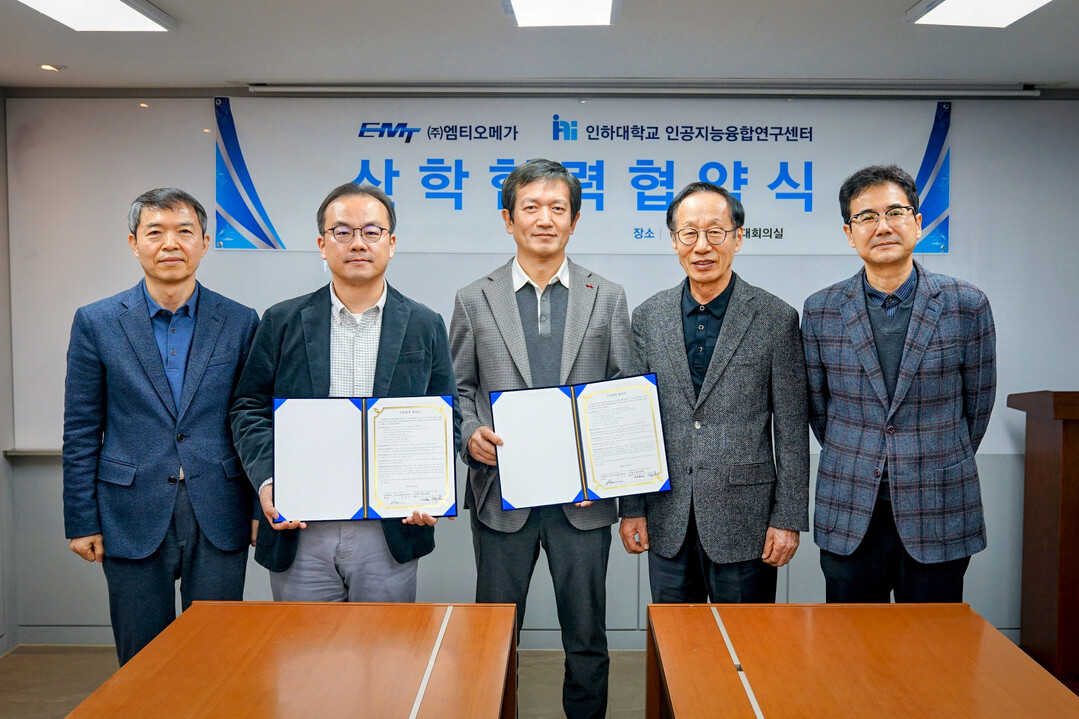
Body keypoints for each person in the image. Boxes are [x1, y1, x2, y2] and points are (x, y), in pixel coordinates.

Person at [449, 159, 632, 719]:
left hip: (583, 502)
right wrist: (470, 433)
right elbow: (458, 388)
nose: (544, 219)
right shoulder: (474, 298)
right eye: (531, 207)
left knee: (587, 636)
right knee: (495, 635)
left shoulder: (607, 296)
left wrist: (606, 472)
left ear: (574, 221)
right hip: (502, 496)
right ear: (509, 219)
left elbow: (623, 392)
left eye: (558, 208)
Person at [230, 182, 456, 602]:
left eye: (371, 232)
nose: (358, 243)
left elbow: (447, 415)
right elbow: (249, 408)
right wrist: (267, 480)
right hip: (301, 523)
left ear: (391, 244)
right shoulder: (282, 321)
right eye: (342, 232)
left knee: (385, 642)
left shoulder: (425, 324)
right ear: (322, 244)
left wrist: (433, 488)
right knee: (304, 644)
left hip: (390, 527)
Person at [63, 188, 260, 665]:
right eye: (155, 232)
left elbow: (255, 420)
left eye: (184, 231)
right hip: (128, 508)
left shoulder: (240, 321)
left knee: (215, 653)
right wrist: (82, 520)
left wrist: (260, 506)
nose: (170, 243)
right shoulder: (97, 322)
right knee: (141, 658)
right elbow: (81, 428)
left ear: (205, 243)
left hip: (220, 506)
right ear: (134, 243)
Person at [802, 164, 996, 603]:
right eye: (866, 217)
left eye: (895, 212)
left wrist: (927, 453)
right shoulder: (821, 310)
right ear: (849, 233)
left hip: (938, 505)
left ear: (918, 222)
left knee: (932, 641)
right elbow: (818, 409)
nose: (883, 227)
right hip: (851, 507)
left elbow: (977, 408)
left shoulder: (966, 305)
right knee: (850, 640)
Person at [619, 182, 809, 603]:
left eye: (715, 232)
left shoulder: (775, 318)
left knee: (746, 639)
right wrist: (632, 508)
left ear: (738, 238)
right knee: (673, 638)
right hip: (668, 517)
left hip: (746, 520)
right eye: (689, 233)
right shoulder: (649, 317)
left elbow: (792, 429)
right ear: (674, 241)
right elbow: (635, 423)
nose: (702, 246)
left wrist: (788, 517)